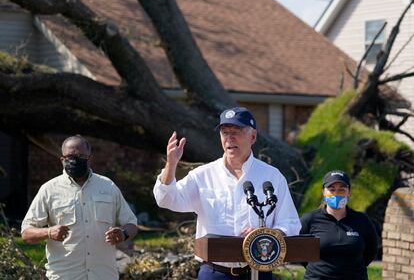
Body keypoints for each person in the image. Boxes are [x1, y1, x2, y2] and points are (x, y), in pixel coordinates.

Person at [153, 107, 301, 280]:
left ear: (252, 136)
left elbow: (290, 224)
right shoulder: (203, 174)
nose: (230, 138)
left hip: (259, 271)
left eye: (236, 132)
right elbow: (167, 199)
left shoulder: (272, 176)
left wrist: (265, 235)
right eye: (225, 132)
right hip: (215, 272)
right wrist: (171, 166)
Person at [21, 135, 138, 280]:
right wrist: (49, 232)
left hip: (103, 275)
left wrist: (123, 233)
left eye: (81, 156)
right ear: (62, 159)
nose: (75, 160)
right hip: (65, 275)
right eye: (70, 156)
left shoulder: (108, 186)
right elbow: (26, 233)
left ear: (90, 158)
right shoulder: (49, 190)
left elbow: (132, 223)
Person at [300, 170, 379, 280]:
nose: (336, 194)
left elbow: (371, 251)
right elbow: (299, 251)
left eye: (342, 190)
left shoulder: (362, 220)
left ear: (349, 192)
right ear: (323, 192)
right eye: (331, 190)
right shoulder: (310, 219)